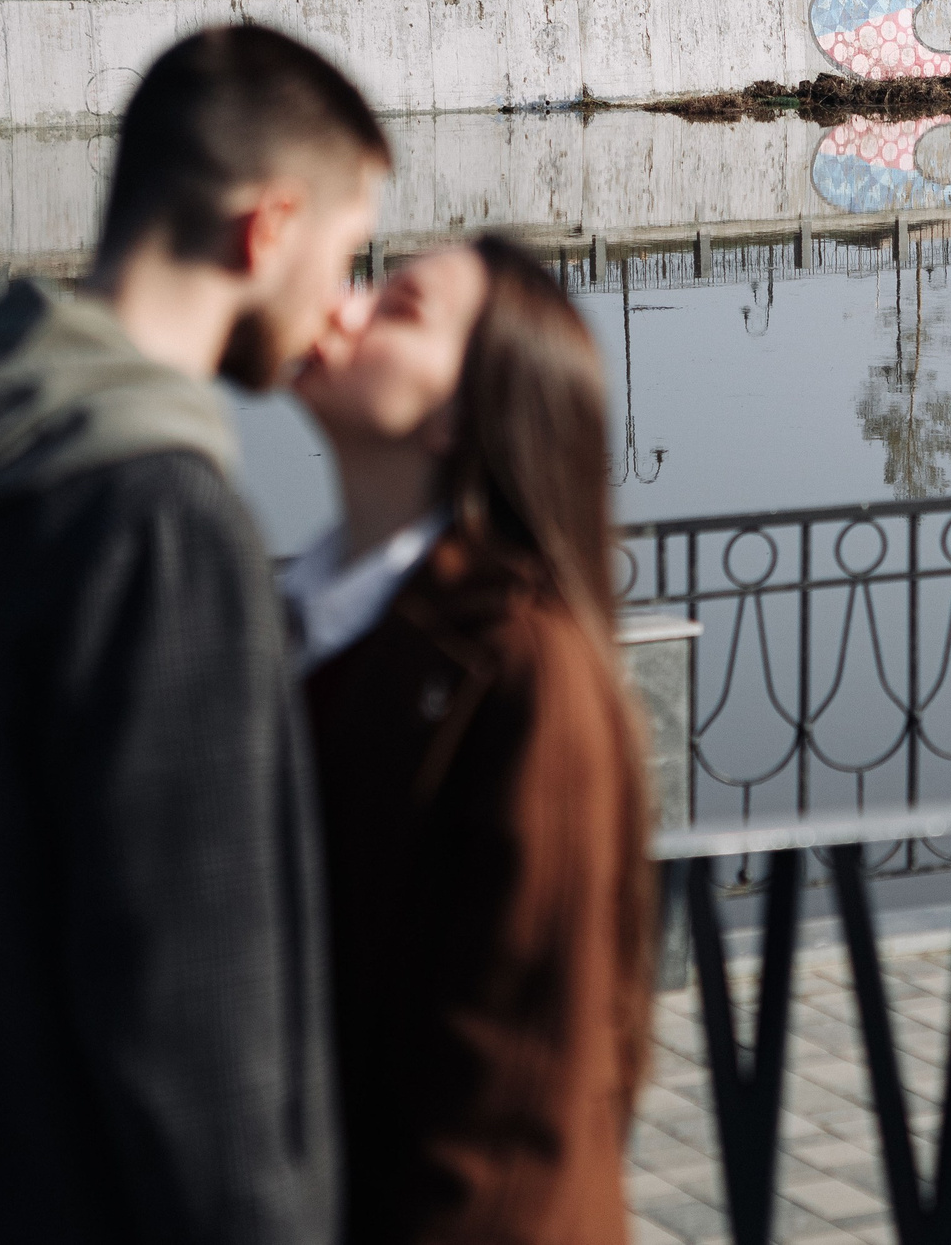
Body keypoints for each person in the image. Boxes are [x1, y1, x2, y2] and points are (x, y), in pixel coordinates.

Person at [0, 26, 391, 1245]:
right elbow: (197, 1027)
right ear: (265, 231)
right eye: (346, 256)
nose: (339, 311)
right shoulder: (161, 523)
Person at [288, 236, 653, 1245]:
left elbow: (518, 1099)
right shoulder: (301, 627)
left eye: (397, 308)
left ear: (460, 414)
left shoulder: (525, 669)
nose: (341, 307)